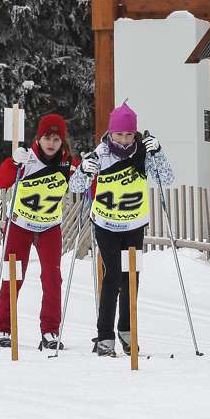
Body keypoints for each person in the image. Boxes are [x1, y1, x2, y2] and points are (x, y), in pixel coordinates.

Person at [70, 102, 174, 358]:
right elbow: (75, 186)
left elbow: (166, 179)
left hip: (134, 223)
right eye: (119, 134)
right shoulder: (100, 154)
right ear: (111, 132)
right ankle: (104, 335)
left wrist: (158, 152)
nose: (124, 140)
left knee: (132, 276)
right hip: (105, 224)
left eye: (129, 134)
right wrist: (84, 170)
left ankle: (127, 330)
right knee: (113, 275)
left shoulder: (143, 153)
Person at [0, 112, 74, 351]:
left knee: (52, 277)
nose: (51, 143)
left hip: (49, 227)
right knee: (13, 275)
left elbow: (87, 185)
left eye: (56, 140)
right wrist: (13, 163)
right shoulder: (27, 158)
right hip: (20, 225)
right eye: (47, 137)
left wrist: (89, 171)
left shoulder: (67, 163)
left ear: (62, 142)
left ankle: (50, 330)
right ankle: (2, 326)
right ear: (39, 137)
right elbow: (0, 181)